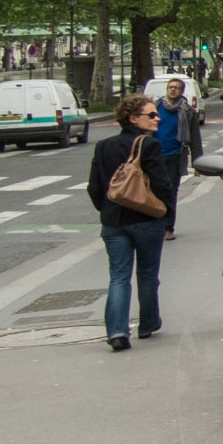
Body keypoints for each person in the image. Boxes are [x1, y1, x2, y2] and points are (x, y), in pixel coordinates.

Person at [87, 95, 174, 352]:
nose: (157, 118)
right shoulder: (149, 145)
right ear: (133, 118)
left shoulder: (103, 146)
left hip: (113, 222)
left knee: (118, 277)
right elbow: (162, 184)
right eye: (151, 115)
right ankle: (147, 324)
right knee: (147, 274)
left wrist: (107, 210)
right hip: (146, 219)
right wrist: (167, 214)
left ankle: (116, 332)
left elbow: (94, 187)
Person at [152, 78, 194, 241]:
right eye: (170, 87)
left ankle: (168, 228)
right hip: (154, 156)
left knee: (170, 192)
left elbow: (195, 139)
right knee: (154, 192)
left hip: (175, 156)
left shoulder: (187, 111)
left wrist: (197, 163)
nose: (173, 90)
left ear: (181, 91)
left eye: (176, 88)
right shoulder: (155, 108)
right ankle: (155, 225)